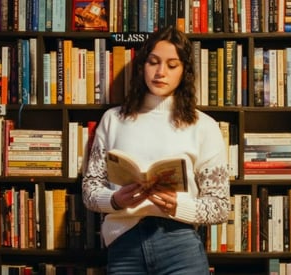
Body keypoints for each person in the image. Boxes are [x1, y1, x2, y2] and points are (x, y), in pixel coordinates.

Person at [82, 26, 230, 275]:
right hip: (124, 243)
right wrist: (116, 200)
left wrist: (178, 206)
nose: (161, 72)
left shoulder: (203, 126)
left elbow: (220, 205)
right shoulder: (113, 119)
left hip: (179, 244)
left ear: (184, 72)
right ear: (142, 67)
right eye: (153, 62)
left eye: (172, 65)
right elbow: (89, 190)